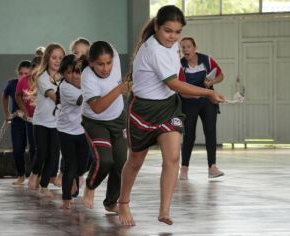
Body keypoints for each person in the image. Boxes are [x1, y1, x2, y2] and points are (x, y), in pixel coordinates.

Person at [118, 5, 224, 226]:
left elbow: (174, 84)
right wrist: (208, 92)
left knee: (173, 157)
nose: (173, 36)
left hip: (168, 107)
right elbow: (174, 83)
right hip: (143, 110)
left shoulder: (172, 45)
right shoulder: (153, 49)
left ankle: (164, 210)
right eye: (168, 31)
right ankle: (123, 202)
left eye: (177, 32)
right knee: (135, 162)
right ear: (157, 27)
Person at [81, 41, 130, 213]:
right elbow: (97, 107)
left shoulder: (114, 54)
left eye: (109, 63)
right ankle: (90, 186)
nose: (106, 68)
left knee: (121, 163)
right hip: (95, 122)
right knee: (105, 160)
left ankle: (111, 202)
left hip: (117, 119)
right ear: (91, 62)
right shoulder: (87, 77)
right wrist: (119, 90)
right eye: (100, 64)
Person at [178, 37, 224, 180]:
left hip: (208, 101)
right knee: (189, 135)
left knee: (210, 132)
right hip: (188, 102)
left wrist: (213, 81)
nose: (185, 50)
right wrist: (193, 95)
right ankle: (184, 168)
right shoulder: (179, 65)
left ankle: (212, 167)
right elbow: (180, 88)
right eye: (183, 47)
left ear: (194, 48)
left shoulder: (207, 60)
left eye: (188, 47)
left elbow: (221, 75)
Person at [27, 43, 65, 198]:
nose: (57, 61)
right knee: (42, 152)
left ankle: (44, 186)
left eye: (61, 58)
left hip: (57, 123)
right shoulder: (42, 77)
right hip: (41, 121)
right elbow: (55, 97)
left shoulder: (64, 78)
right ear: (47, 58)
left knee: (54, 155)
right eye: (54, 57)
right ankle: (34, 173)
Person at [56, 55, 90, 209]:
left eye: (76, 72)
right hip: (66, 131)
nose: (72, 76)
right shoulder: (65, 87)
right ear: (63, 73)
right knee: (70, 166)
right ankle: (66, 199)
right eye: (68, 72)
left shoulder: (84, 83)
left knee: (82, 166)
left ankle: (76, 180)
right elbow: (83, 100)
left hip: (82, 131)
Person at [2, 60, 31, 185]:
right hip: (17, 122)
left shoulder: (36, 84)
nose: (23, 76)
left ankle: (38, 176)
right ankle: (21, 175)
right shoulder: (12, 84)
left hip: (32, 122)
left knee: (35, 149)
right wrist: (7, 113)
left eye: (26, 73)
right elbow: (4, 96)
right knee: (18, 149)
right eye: (21, 73)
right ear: (17, 73)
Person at [15, 56, 42, 178]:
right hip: (31, 119)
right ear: (31, 69)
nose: (36, 73)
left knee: (45, 147)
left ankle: (46, 173)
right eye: (34, 70)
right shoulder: (23, 81)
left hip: (44, 119)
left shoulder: (44, 80)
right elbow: (18, 96)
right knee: (33, 147)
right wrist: (25, 112)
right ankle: (34, 173)